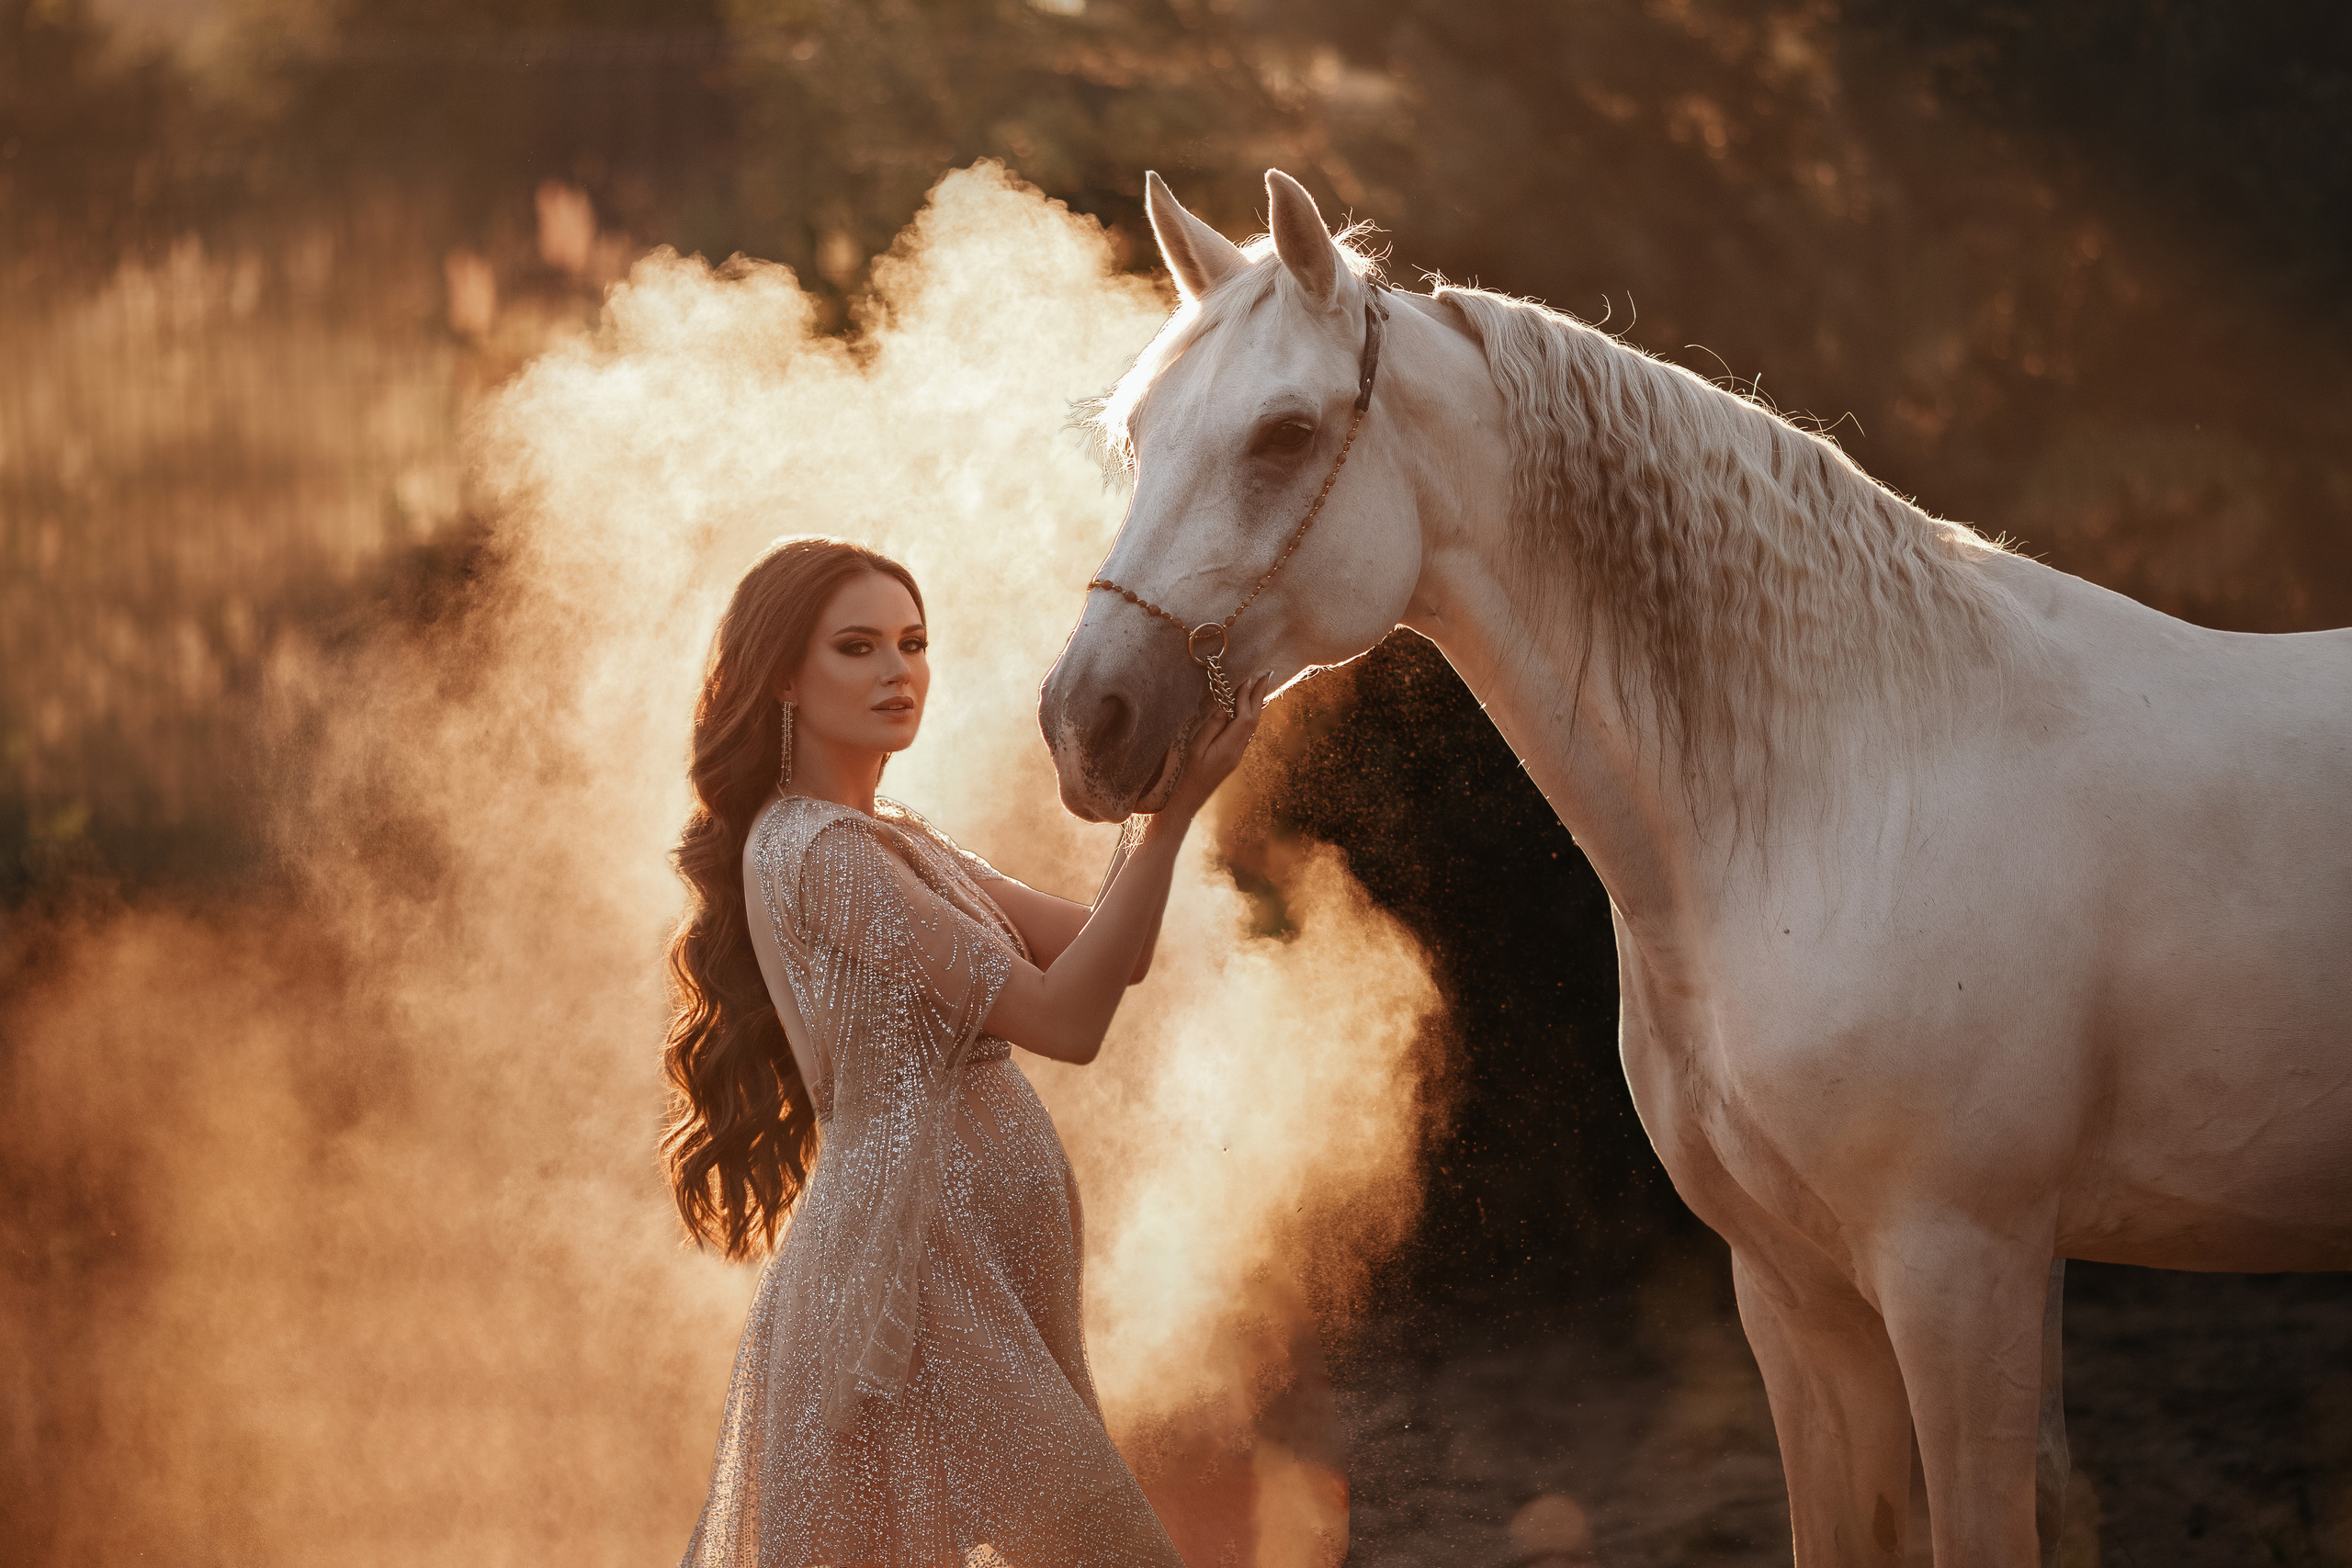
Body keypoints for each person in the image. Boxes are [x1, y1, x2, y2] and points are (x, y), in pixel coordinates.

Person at [663, 536, 1265, 1567]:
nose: (898, 671)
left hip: (963, 1259)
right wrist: (1173, 828)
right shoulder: (826, 853)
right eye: (857, 647)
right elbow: (1066, 1025)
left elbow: (1104, 955)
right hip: (910, 1275)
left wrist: (1158, 796)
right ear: (782, 677)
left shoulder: (890, 835)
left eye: (913, 642)